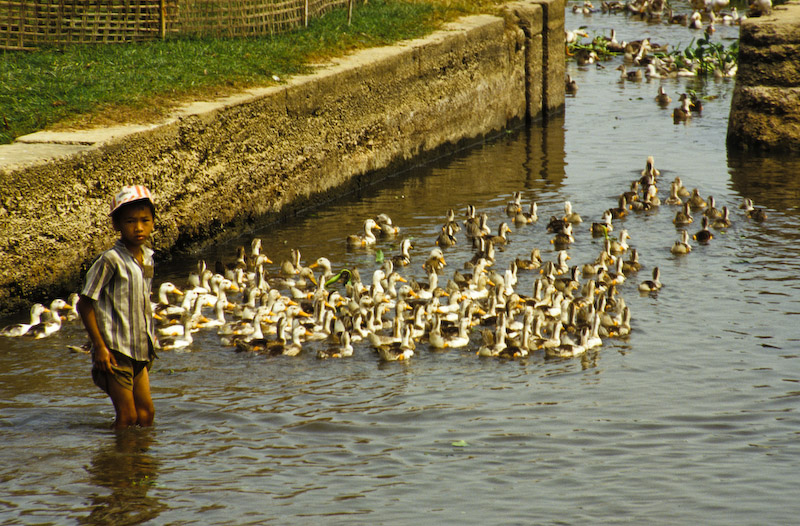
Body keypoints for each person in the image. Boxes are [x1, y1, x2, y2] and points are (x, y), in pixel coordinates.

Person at [77, 185, 158, 429]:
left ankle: (139, 463)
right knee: (127, 416)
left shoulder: (148, 256)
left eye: (145, 220)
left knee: (146, 415)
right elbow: (85, 303)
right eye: (130, 221)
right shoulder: (110, 260)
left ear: (154, 222)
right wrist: (100, 347)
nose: (138, 228)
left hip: (140, 350)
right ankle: (116, 464)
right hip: (115, 350)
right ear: (117, 225)